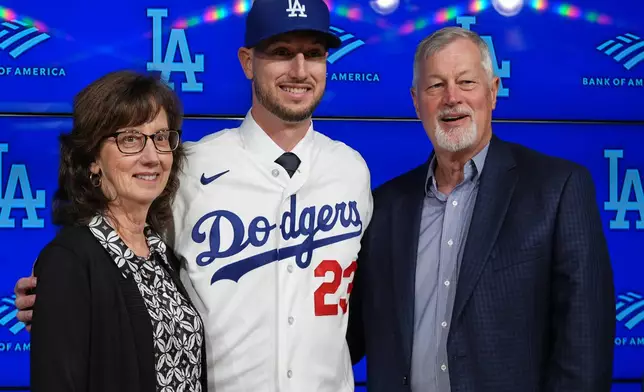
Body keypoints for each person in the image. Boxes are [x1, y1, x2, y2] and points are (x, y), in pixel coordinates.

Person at [17, 0, 373, 391]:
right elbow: (117, 256)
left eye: (315, 54)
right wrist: (59, 295)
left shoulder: (351, 171)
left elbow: (367, 301)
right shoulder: (188, 167)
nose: (300, 70)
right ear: (247, 61)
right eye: (282, 52)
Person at [346, 27, 615, 392]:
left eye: (466, 82)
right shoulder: (384, 205)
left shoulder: (559, 188)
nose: (451, 98)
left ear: (493, 92)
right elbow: (349, 334)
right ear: (415, 101)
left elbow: (585, 346)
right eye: (435, 86)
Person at [28, 70, 207, 392]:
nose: (151, 157)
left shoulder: (162, 256)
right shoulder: (70, 260)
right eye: (130, 140)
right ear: (93, 157)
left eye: (161, 138)